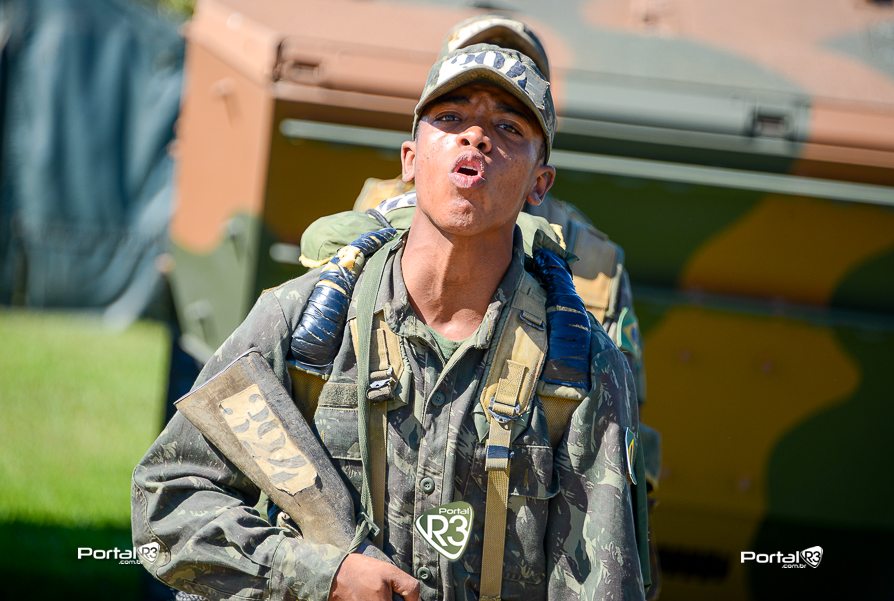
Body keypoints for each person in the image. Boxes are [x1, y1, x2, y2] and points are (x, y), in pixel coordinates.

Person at [132, 42, 647, 601]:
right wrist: (321, 576)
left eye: (508, 128)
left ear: (539, 186)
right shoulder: (304, 321)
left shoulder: (580, 366)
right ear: (409, 160)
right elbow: (166, 505)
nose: (476, 137)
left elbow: (603, 586)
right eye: (450, 118)